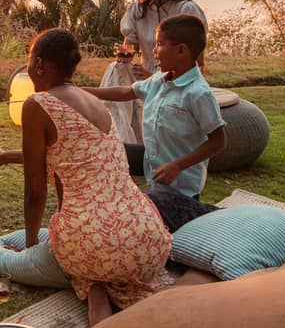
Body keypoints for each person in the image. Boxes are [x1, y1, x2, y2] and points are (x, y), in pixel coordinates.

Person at [0, 29, 172, 326]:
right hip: (148, 238)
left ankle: (93, 283)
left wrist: (32, 248)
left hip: (92, 239)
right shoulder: (92, 100)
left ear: (40, 64)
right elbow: (72, 154)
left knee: (87, 247)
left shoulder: (37, 104)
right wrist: (6, 155)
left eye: (30, 60)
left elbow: (35, 193)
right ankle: (101, 284)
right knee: (109, 257)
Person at [86, 14, 226, 199]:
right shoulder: (159, 80)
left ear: (181, 51)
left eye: (159, 44)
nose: (154, 51)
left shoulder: (198, 93)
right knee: (108, 149)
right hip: (154, 169)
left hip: (182, 188)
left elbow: (218, 141)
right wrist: (82, 92)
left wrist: (177, 166)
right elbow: (127, 92)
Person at [99, 0, 207, 144]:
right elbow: (129, 46)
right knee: (116, 68)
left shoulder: (185, 9)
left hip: (177, 83)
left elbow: (197, 64)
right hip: (144, 78)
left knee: (136, 84)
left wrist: (156, 77)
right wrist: (124, 55)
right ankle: (115, 139)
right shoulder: (137, 11)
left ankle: (123, 143)